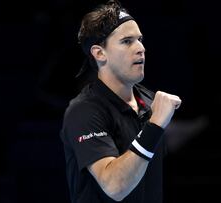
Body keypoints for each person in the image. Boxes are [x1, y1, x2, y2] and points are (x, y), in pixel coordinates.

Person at [59, 0, 182, 202]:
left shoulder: (150, 101)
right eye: (127, 41)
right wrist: (155, 125)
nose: (141, 48)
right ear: (100, 53)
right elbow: (115, 187)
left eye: (140, 39)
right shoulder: (84, 111)